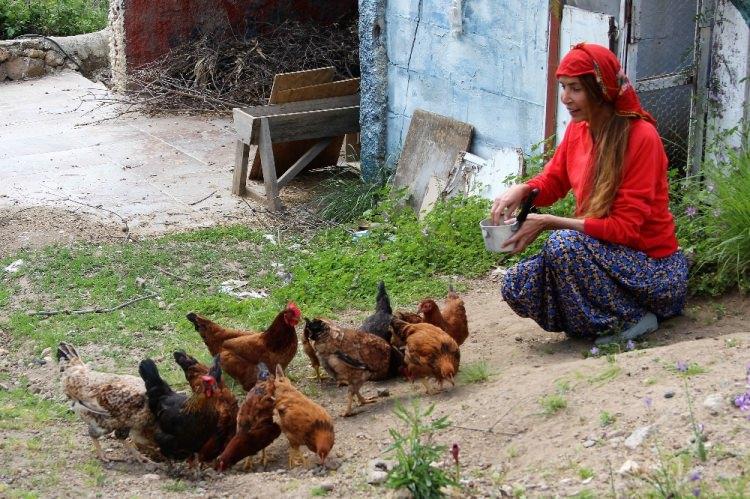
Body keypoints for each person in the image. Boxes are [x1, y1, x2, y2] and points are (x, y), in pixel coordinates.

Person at [490, 42, 688, 345]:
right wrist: (525, 189)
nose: (566, 98)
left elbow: (623, 229)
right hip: (604, 259)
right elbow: (555, 180)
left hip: (653, 272)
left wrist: (548, 221)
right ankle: (598, 319)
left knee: (564, 246)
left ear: (601, 90)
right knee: (518, 285)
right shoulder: (578, 129)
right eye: (563, 87)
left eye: (575, 89)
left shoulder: (641, 137)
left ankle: (633, 319)